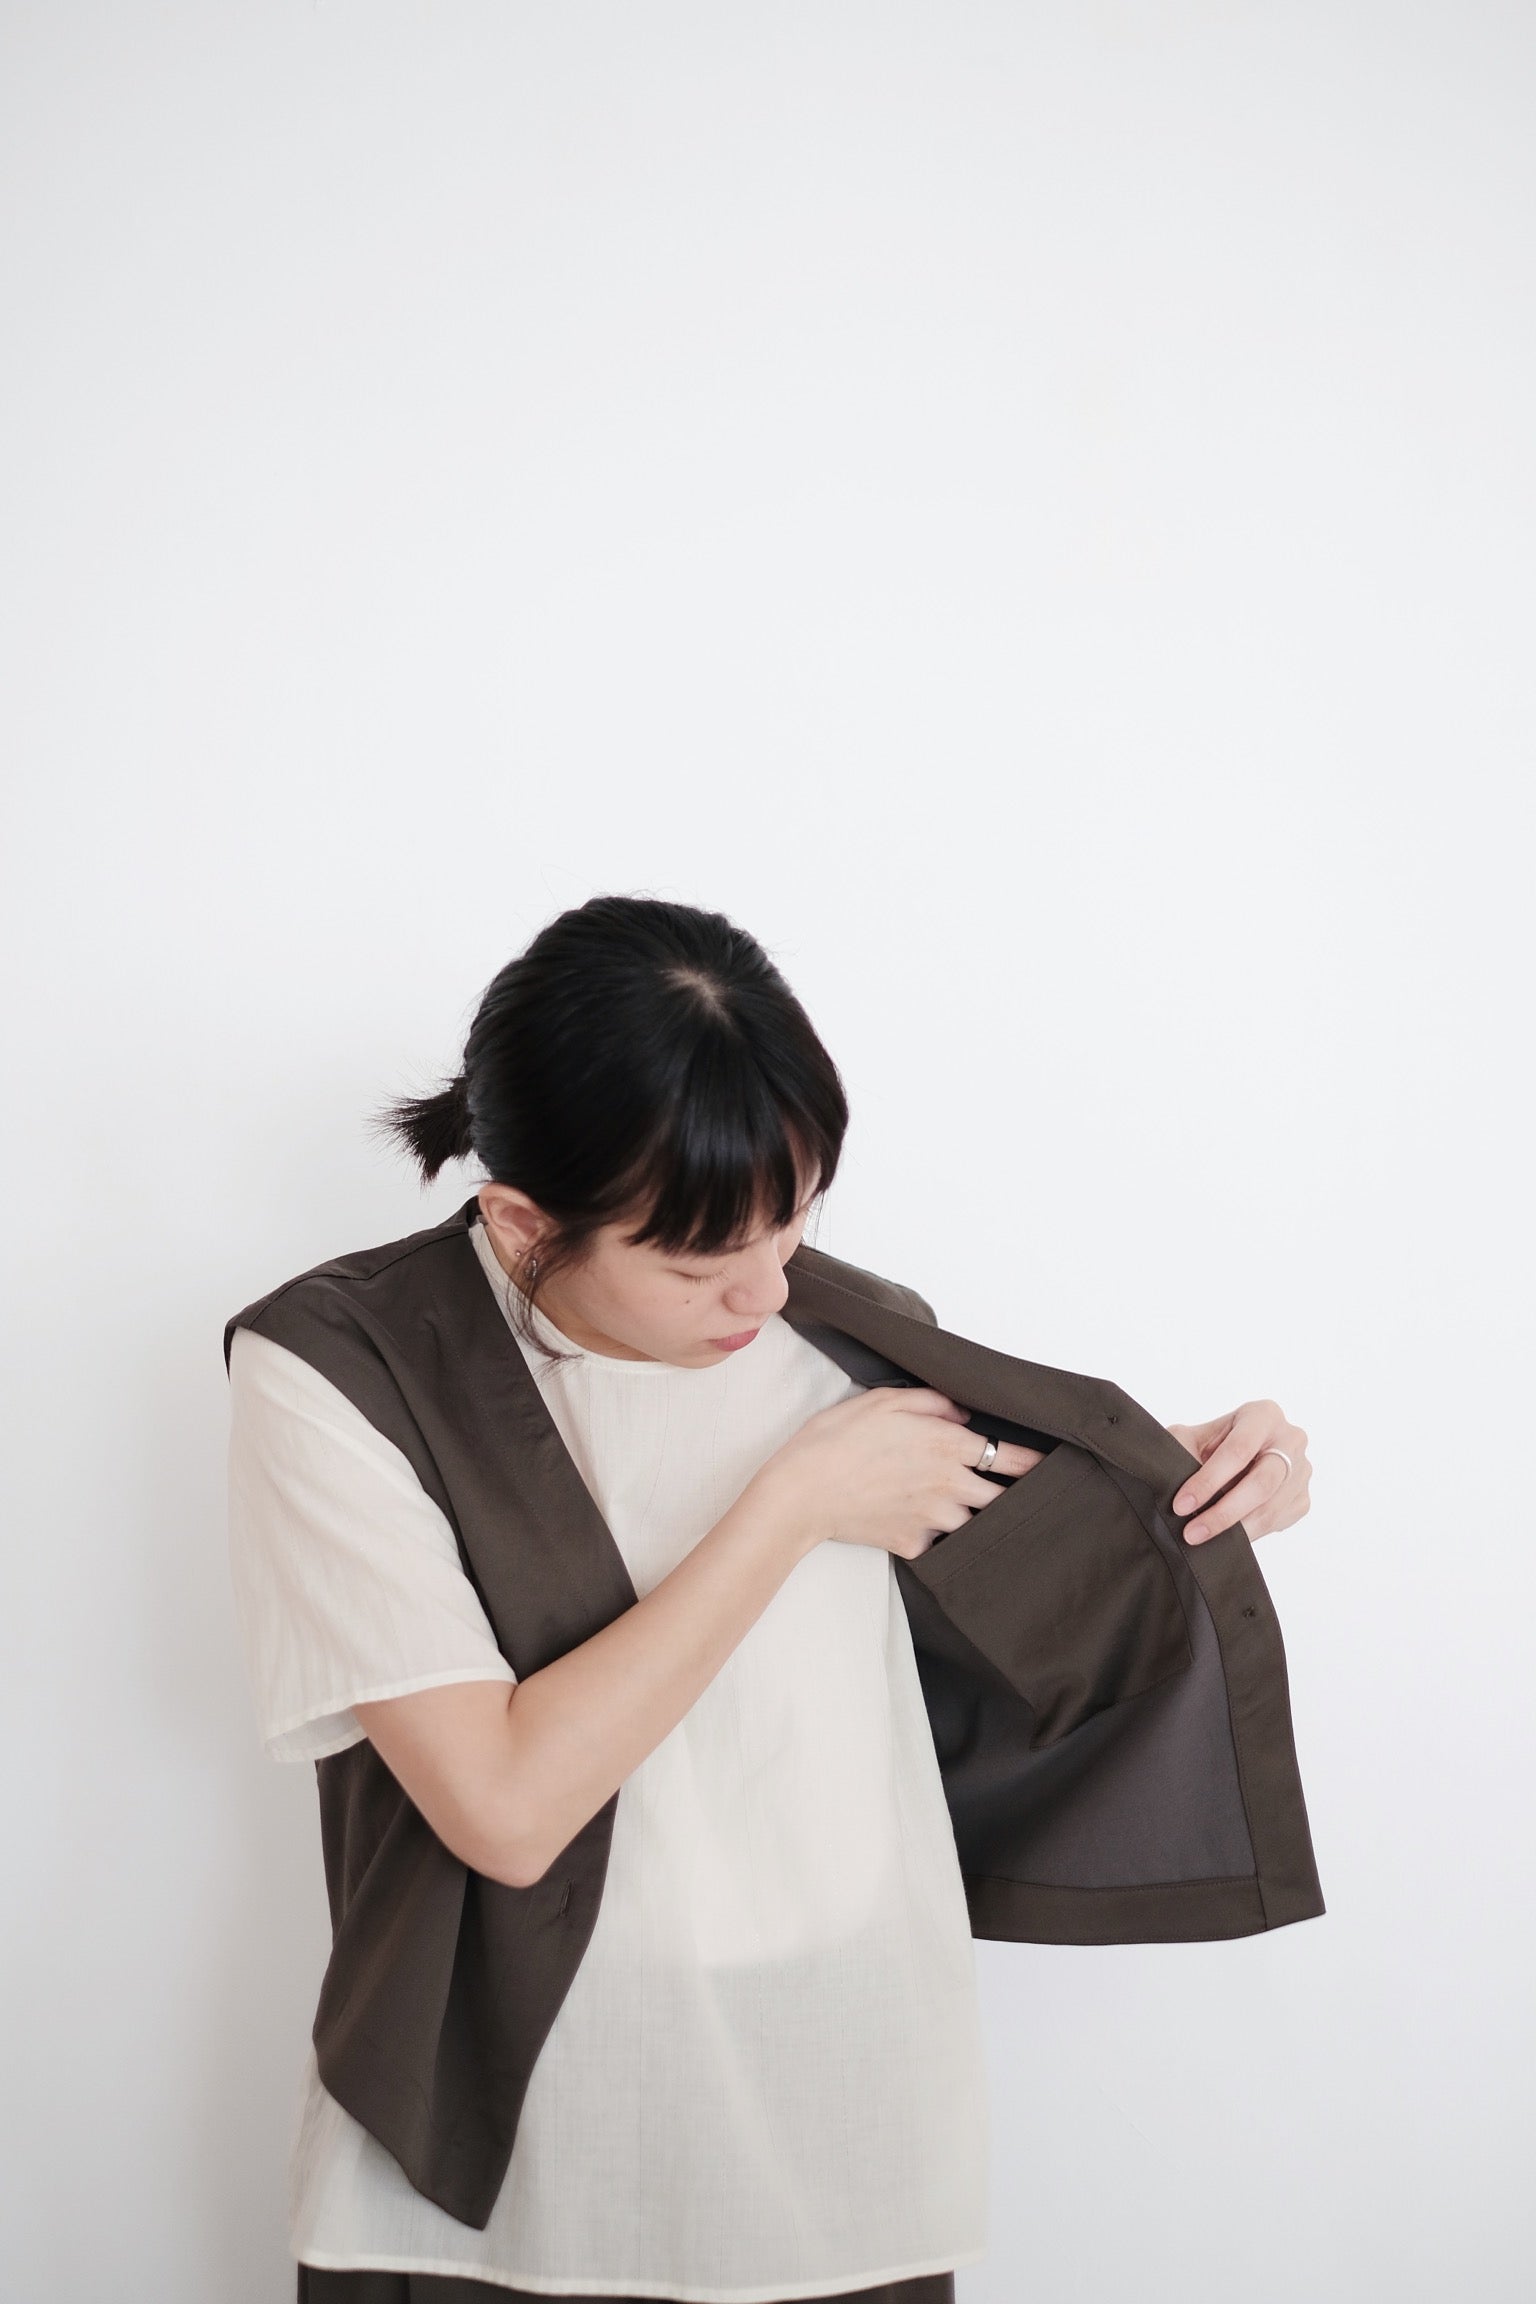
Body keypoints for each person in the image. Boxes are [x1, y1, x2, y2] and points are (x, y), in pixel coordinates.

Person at [225, 893, 1312, 2304]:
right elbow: (502, 1807)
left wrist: (1197, 1475)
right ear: (521, 1218)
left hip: (835, 2097)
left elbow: (1010, 1536)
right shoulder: (342, 1371)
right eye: (696, 1261)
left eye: (792, 1219)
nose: (762, 1291)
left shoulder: (852, 1331)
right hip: (507, 2131)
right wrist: (792, 1507)